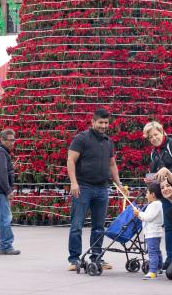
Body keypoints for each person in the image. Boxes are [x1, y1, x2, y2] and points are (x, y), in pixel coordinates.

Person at [67, 108, 125, 271]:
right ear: (93, 122)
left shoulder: (108, 142)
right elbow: (71, 160)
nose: (103, 125)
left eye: (106, 123)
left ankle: (97, 257)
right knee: (77, 225)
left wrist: (119, 184)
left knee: (99, 227)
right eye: (100, 122)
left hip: (102, 189)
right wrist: (74, 183)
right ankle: (74, 259)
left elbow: (112, 164)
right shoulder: (81, 139)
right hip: (83, 187)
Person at [143, 121, 172, 270]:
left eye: (156, 134)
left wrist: (169, 173)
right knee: (169, 226)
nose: (154, 138)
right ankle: (171, 258)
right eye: (150, 137)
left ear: (162, 131)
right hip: (165, 192)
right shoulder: (154, 152)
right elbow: (154, 172)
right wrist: (149, 178)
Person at [133, 182, 164, 279]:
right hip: (154, 232)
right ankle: (159, 267)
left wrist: (139, 214)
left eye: (147, 193)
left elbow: (149, 217)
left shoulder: (155, 205)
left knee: (152, 252)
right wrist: (140, 214)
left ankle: (152, 271)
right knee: (156, 251)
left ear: (153, 195)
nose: (146, 195)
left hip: (152, 233)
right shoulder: (156, 204)